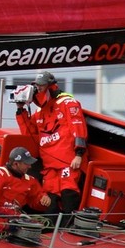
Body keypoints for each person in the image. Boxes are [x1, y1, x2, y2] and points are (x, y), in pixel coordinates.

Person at [15, 71, 88, 222]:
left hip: (68, 161)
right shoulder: (40, 111)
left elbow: (78, 127)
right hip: (49, 164)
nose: (38, 90)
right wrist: (21, 109)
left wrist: (79, 154)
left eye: (41, 87)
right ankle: (52, 227)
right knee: (49, 196)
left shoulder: (68, 103)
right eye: (36, 87)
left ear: (50, 86)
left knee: (69, 191)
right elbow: (29, 133)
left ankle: (68, 227)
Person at [0, 147, 51, 236]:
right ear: (16, 164)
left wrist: (43, 200)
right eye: (26, 163)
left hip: (15, 219)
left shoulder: (30, 180)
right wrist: (7, 216)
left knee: (39, 227)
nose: (30, 166)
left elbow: (37, 199)